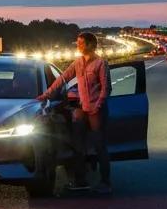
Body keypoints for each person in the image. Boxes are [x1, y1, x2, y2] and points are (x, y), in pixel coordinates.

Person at [37, 31, 112, 194]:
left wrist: (97, 106)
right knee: (78, 146)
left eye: (81, 43)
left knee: (100, 146)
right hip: (82, 108)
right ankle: (80, 181)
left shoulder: (101, 64)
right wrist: (46, 94)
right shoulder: (77, 63)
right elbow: (62, 78)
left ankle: (106, 182)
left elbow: (106, 89)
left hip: (96, 110)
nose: (78, 45)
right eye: (77, 42)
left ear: (91, 45)